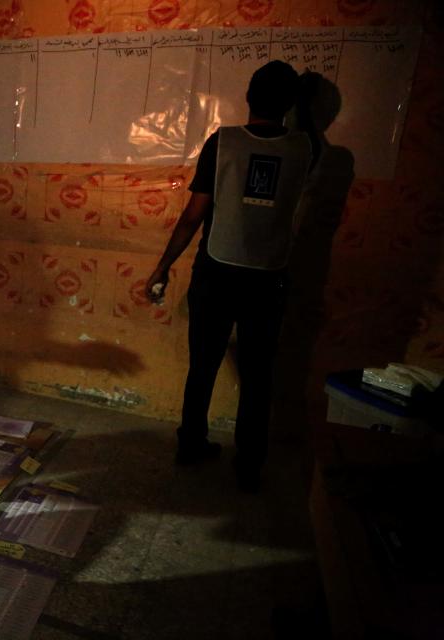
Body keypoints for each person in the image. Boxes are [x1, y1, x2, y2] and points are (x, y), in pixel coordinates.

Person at [145, 60, 315, 491]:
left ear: (247, 98)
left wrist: (163, 266)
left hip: (216, 272)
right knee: (259, 375)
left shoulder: (222, 143)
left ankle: (190, 445)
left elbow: (194, 215)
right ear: (291, 105)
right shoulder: (305, 147)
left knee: (202, 365)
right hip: (268, 278)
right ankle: (250, 464)